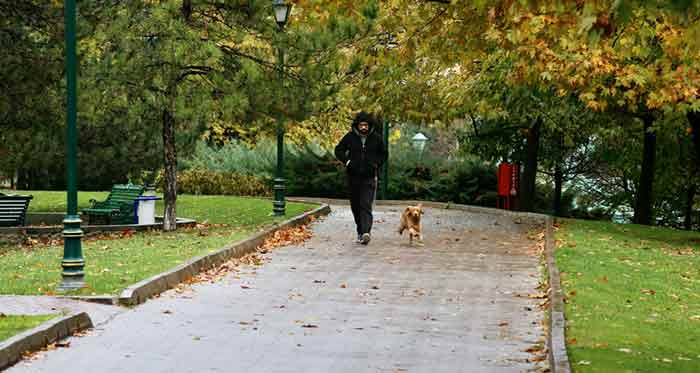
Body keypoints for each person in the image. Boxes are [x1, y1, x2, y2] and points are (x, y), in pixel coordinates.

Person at [334, 111, 387, 245]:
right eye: (361, 125)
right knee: (356, 206)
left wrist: (376, 164)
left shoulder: (376, 138)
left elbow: (384, 154)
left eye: (366, 125)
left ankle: (366, 232)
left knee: (366, 205)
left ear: (369, 125)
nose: (364, 127)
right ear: (357, 125)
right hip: (353, 177)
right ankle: (360, 231)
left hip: (369, 177)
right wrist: (348, 162)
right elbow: (338, 150)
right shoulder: (350, 137)